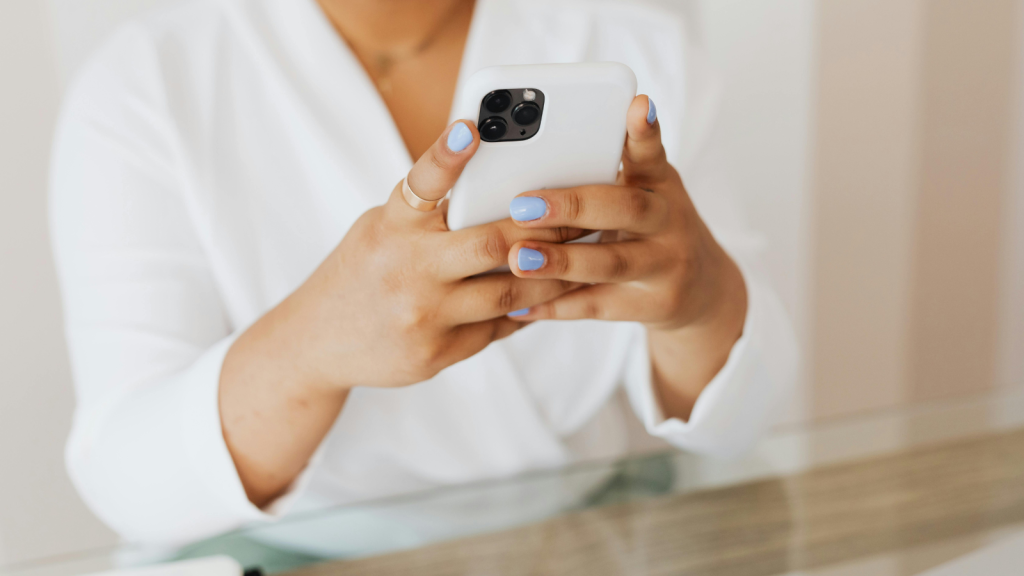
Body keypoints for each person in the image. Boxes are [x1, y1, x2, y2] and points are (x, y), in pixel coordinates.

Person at [50, 0, 797, 545]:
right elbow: (129, 481)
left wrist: (699, 304)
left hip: (582, 538)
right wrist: (310, 346)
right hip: (291, 553)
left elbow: (741, 423)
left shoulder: (636, 53)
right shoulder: (146, 83)